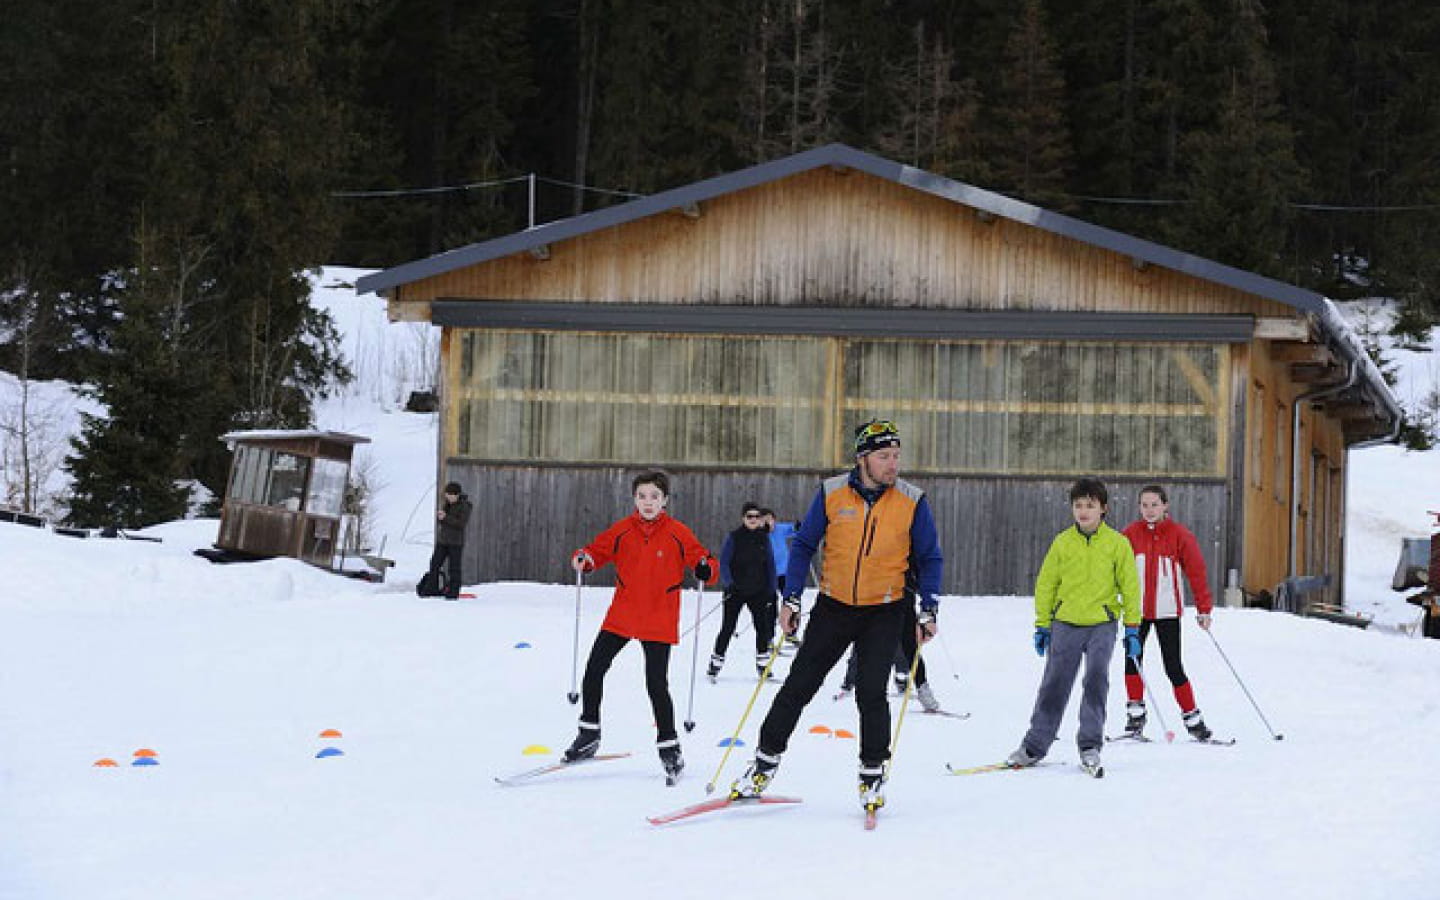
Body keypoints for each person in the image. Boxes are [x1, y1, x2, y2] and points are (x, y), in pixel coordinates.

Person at [730, 419, 943, 813]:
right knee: (798, 686)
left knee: (871, 693)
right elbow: (803, 545)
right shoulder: (831, 492)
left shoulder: (912, 500)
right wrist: (791, 599)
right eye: (884, 456)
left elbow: (930, 557)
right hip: (834, 607)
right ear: (863, 458)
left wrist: (928, 608)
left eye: (896, 456)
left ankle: (872, 774)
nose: (893, 464)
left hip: (885, 610)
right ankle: (762, 765)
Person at [563, 471, 716, 781]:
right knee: (594, 669)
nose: (648, 502)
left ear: (665, 500)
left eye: (654, 497)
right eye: (642, 496)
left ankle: (670, 747)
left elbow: (704, 560)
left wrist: (705, 568)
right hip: (623, 613)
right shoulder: (622, 530)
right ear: (634, 499)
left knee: (656, 684)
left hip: (659, 616)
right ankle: (588, 733)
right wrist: (584, 558)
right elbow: (596, 551)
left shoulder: (678, 533)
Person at [1006, 478, 1140, 773]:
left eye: (1090, 505)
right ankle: (1034, 745)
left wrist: (1132, 627)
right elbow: (1046, 584)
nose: (1083, 511)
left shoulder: (1117, 544)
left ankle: (1090, 745)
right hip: (1065, 623)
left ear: (1103, 509)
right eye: (1078, 505)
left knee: (1096, 680)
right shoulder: (1062, 543)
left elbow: (1130, 587)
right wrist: (1043, 624)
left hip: (1102, 624)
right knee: (1055, 683)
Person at [1120, 485, 1217, 740]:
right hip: (1136, 612)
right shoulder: (1129, 535)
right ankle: (1135, 716)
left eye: (1154, 504)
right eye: (1144, 505)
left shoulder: (1180, 535)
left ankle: (1193, 720)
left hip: (1167, 612)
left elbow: (1196, 572)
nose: (1149, 510)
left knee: (1173, 666)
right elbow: (1114, 570)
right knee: (1132, 661)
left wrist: (1204, 609)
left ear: (1165, 506)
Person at [708, 502, 779, 680]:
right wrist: (729, 583)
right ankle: (715, 664)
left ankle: (763, 666)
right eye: (749, 516)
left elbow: (770, 564)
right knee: (728, 627)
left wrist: (772, 588)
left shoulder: (764, 538)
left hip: (758, 591)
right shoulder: (734, 537)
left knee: (762, 628)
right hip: (736, 591)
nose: (753, 519)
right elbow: (724, 562)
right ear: (743, 518)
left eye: (756, 516)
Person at [427, 481, 472, 600]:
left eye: (450, 495)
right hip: (443, 540)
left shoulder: (465, 506)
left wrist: (446, 518)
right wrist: (440, 518)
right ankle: (431, 589)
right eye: (447, 495)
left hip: (456, 542)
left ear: (456, 495)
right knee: (434, 564)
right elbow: (444, 522)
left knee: (454, 568)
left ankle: (453, 592)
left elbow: (461, 523)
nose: (448, 498)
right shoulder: (447, 504)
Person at [764, 509, 799, 650]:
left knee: (792, 602)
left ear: (774, 520)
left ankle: (791, 632)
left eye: (770, 519)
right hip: (768, 575)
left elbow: (794, 530)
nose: (768, 523)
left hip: (785, 573)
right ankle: (768, 638)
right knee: (770, 606)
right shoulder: (760, 534)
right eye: (764, 520)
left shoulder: (780, 529)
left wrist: (798, 527)